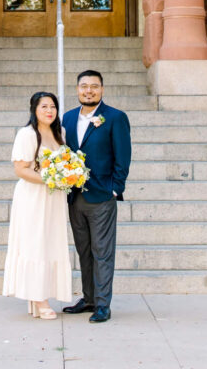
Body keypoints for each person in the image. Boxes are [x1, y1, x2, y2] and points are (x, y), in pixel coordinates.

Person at [61, 69, 131, 323]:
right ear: (77, 89)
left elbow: (123, 156)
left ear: (102, 89)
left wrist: (115, 188)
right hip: (74, 196)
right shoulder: (67, 118)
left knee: (102, 251)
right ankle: (88, 298)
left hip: (102, 195)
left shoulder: (114, 118)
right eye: (84, 86)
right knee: (84, 251)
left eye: (94, 86)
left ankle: (103, 304)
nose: (88, 90)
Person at [2, 91, 73, 319]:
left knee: (50, 242)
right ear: (34, 109)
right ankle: (39, 299)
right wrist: (51, 179)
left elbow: (65, 163)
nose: (49, 111)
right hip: (33, 196)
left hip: (54, 197)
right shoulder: (27, 134)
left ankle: (41, 294)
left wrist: (70, 175)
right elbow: (20, 170)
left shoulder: (60, 132)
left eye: (52, 106)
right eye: (44, 106)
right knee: (35, 243)